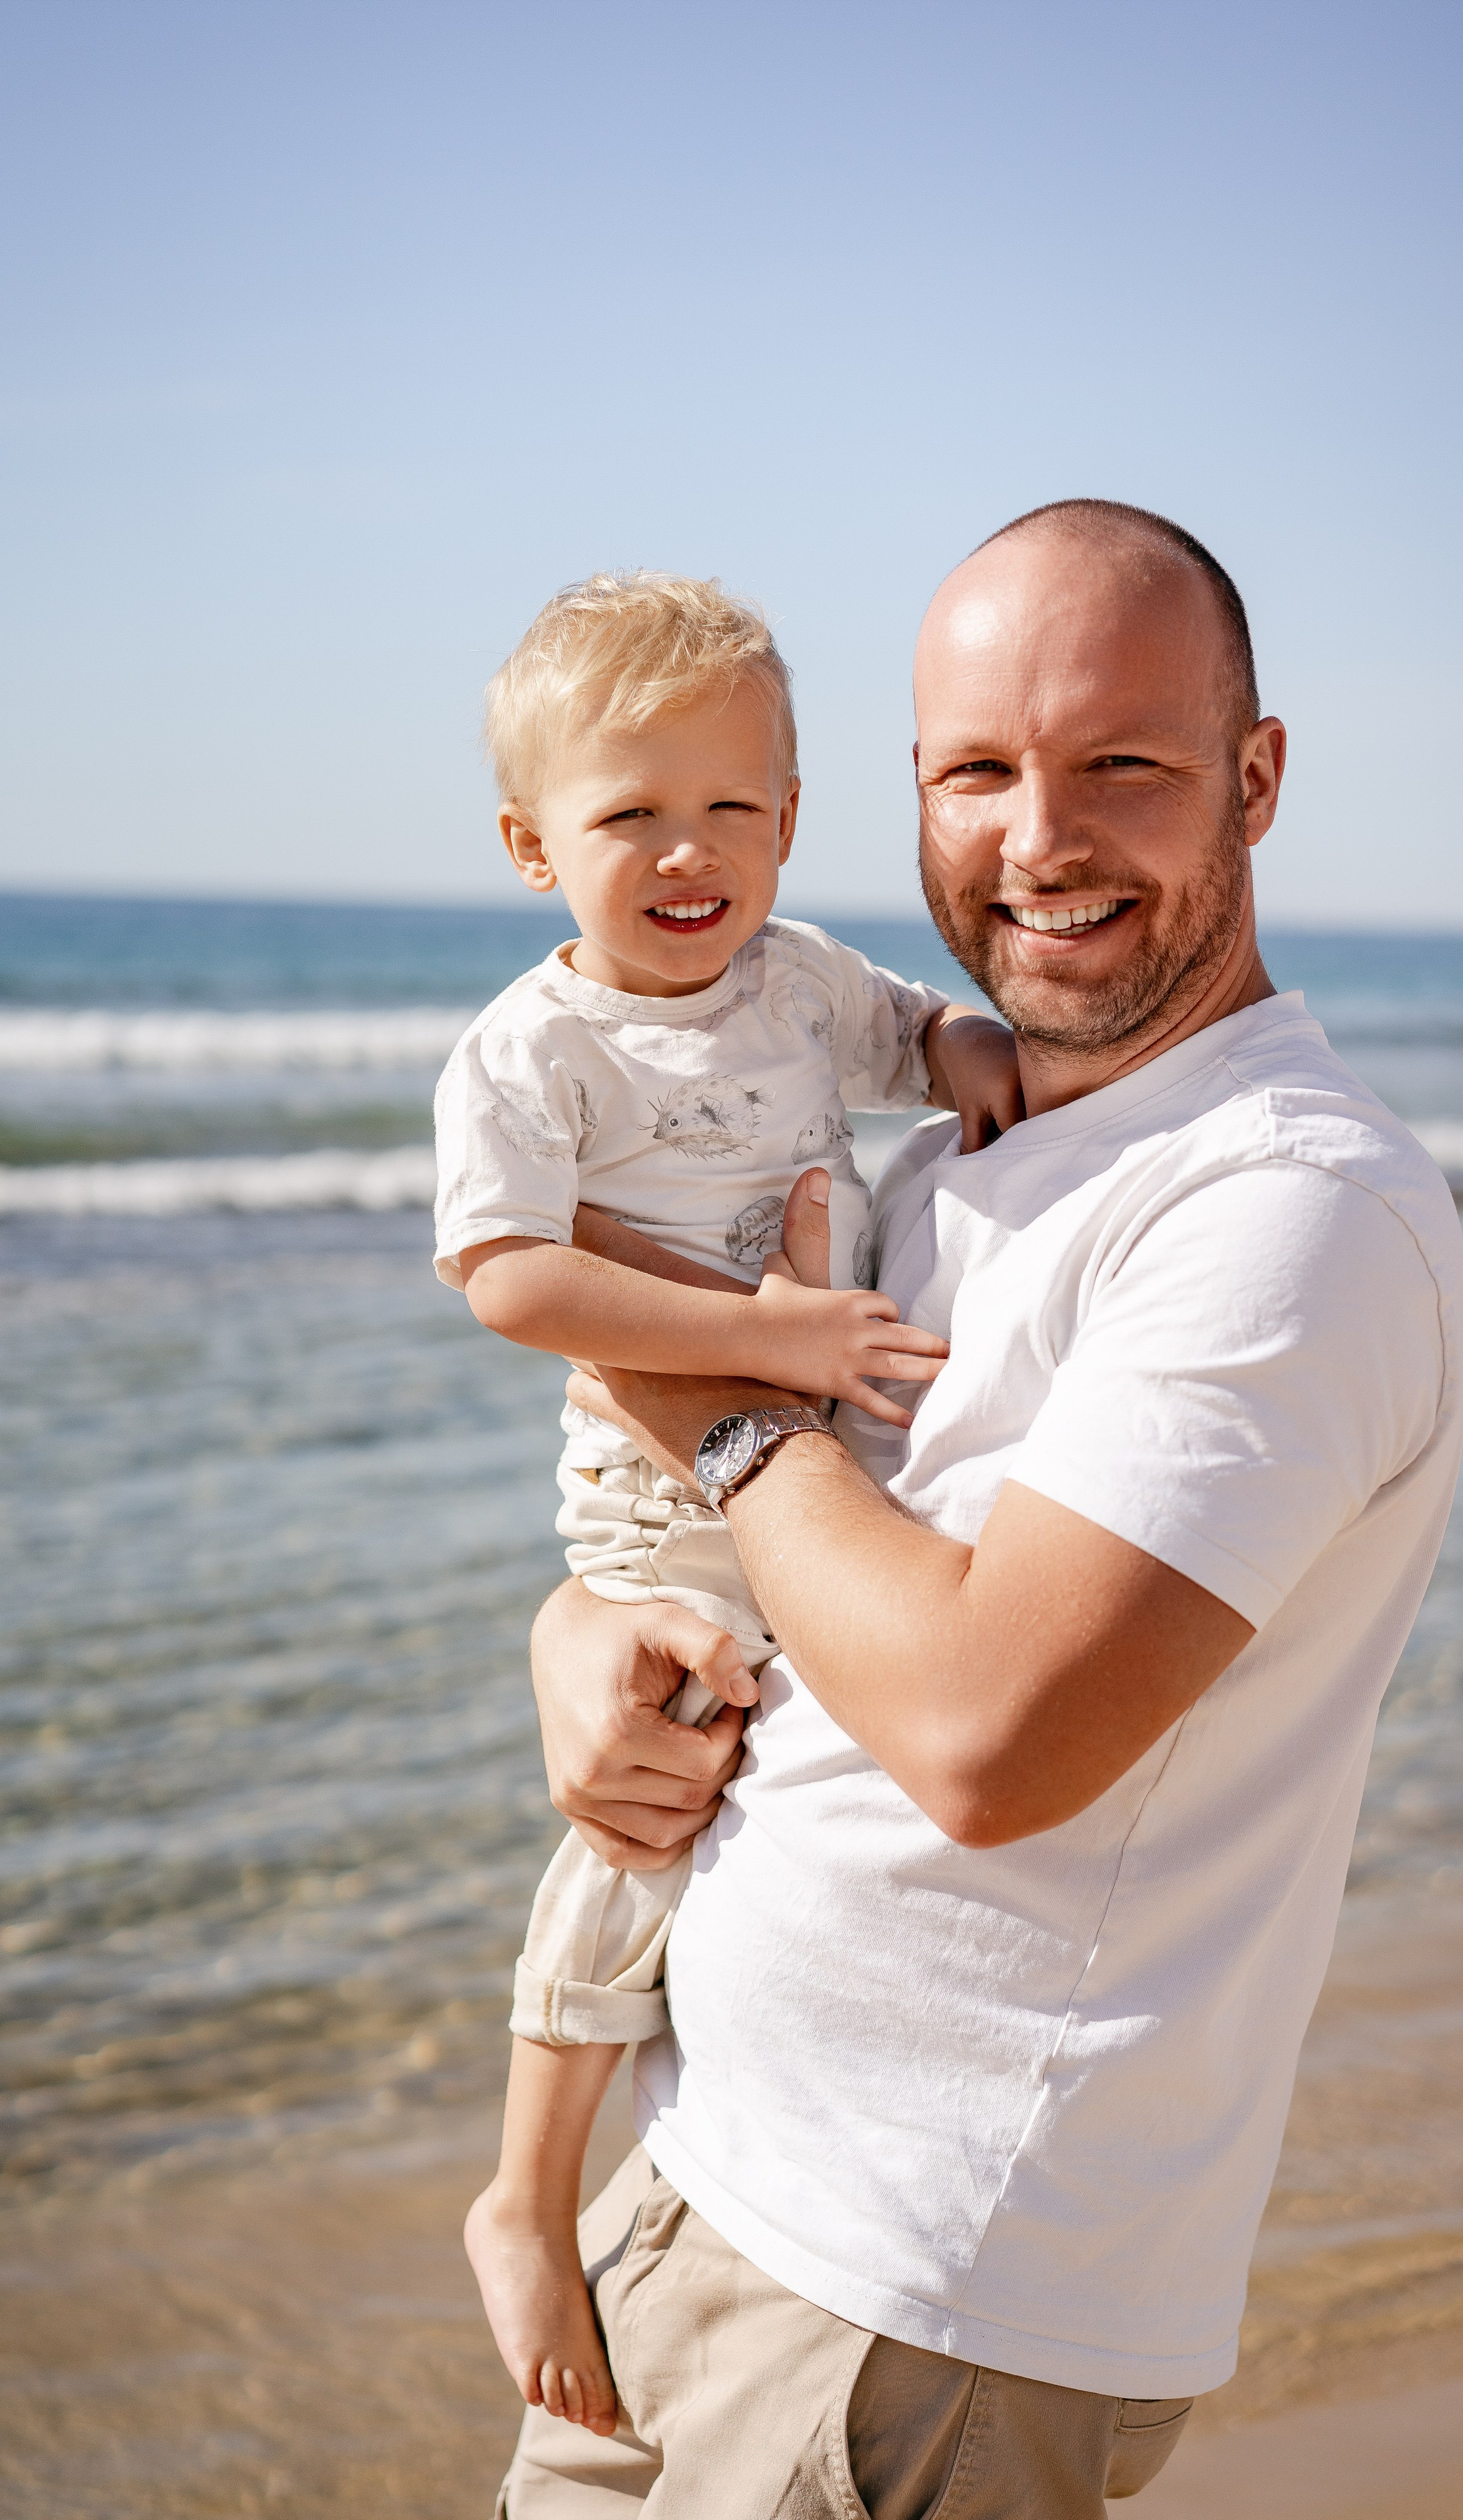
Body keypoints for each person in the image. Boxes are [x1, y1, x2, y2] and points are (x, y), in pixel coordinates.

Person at [496, 501, 1463, 2517]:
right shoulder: (964, 1149)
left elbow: (987, 1731)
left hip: (908, 2299)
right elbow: (795, 1575)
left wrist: (719, 1405)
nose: (1042, 837)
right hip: (727, 2195)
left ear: (1257, 779)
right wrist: (582, 1648)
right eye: (978, 771)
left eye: (1124, 761)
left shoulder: (1291, 1205)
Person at [435, 570, 1023, 2433]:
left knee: (774, 1808)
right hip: (656, 1497)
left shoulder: (798, 980)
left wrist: (981, 1060)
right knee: (653, 1803)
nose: (690, 856)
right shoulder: (538, 1052)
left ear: (787, 817)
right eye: (630, 817)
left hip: (815, 1470)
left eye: (734, 811)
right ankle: (526, 2195)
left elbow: (919, 1032)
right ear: (536, 845)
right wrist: (751, 1330)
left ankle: (725, 2114)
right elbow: (511, 1282)